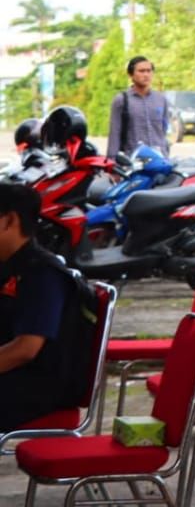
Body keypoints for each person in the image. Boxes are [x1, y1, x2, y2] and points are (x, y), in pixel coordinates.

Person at [0, 182, 79, 430]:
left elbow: (25, 349)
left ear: (8, 221)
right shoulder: (8, 264)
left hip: (32, 387)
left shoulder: (42, 274)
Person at [106, 56, 171, 158]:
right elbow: (115, 133)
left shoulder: (161, 99)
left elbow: (164, 129)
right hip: (133, 161)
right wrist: (111, 161)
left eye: (149, 71)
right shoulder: (122, 100)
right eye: (141, 71)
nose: (146, 75)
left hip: (160, 160)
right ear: (131, 75)